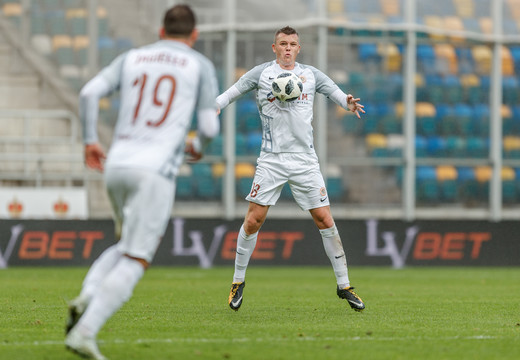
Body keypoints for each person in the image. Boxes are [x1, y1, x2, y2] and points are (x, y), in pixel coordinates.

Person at [64, 5, 220, 359]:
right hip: (154, 170)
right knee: (137, 257)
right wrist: (197, 146)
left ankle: (89, 294)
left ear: (161, 31)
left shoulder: (133, 57)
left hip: (117, 163)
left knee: (124, 244)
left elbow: (89, 92)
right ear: (194, 36)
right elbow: (210, 128)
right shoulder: (200, 66)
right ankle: (84, 332)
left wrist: (90, 140)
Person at [217, 26, 366, 313]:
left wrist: (346, 102)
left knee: (324, 219)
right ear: (274, 47)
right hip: (272, 159)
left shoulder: (310, 75)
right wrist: (217, 105)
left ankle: (344, 285)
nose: (287, 48)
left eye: (292, 44)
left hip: (304, 160)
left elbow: (335, 92)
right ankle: (238, 282)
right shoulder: (262, 73)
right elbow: (234, 90)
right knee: (253, 221)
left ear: (299, 48)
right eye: (282, 44)